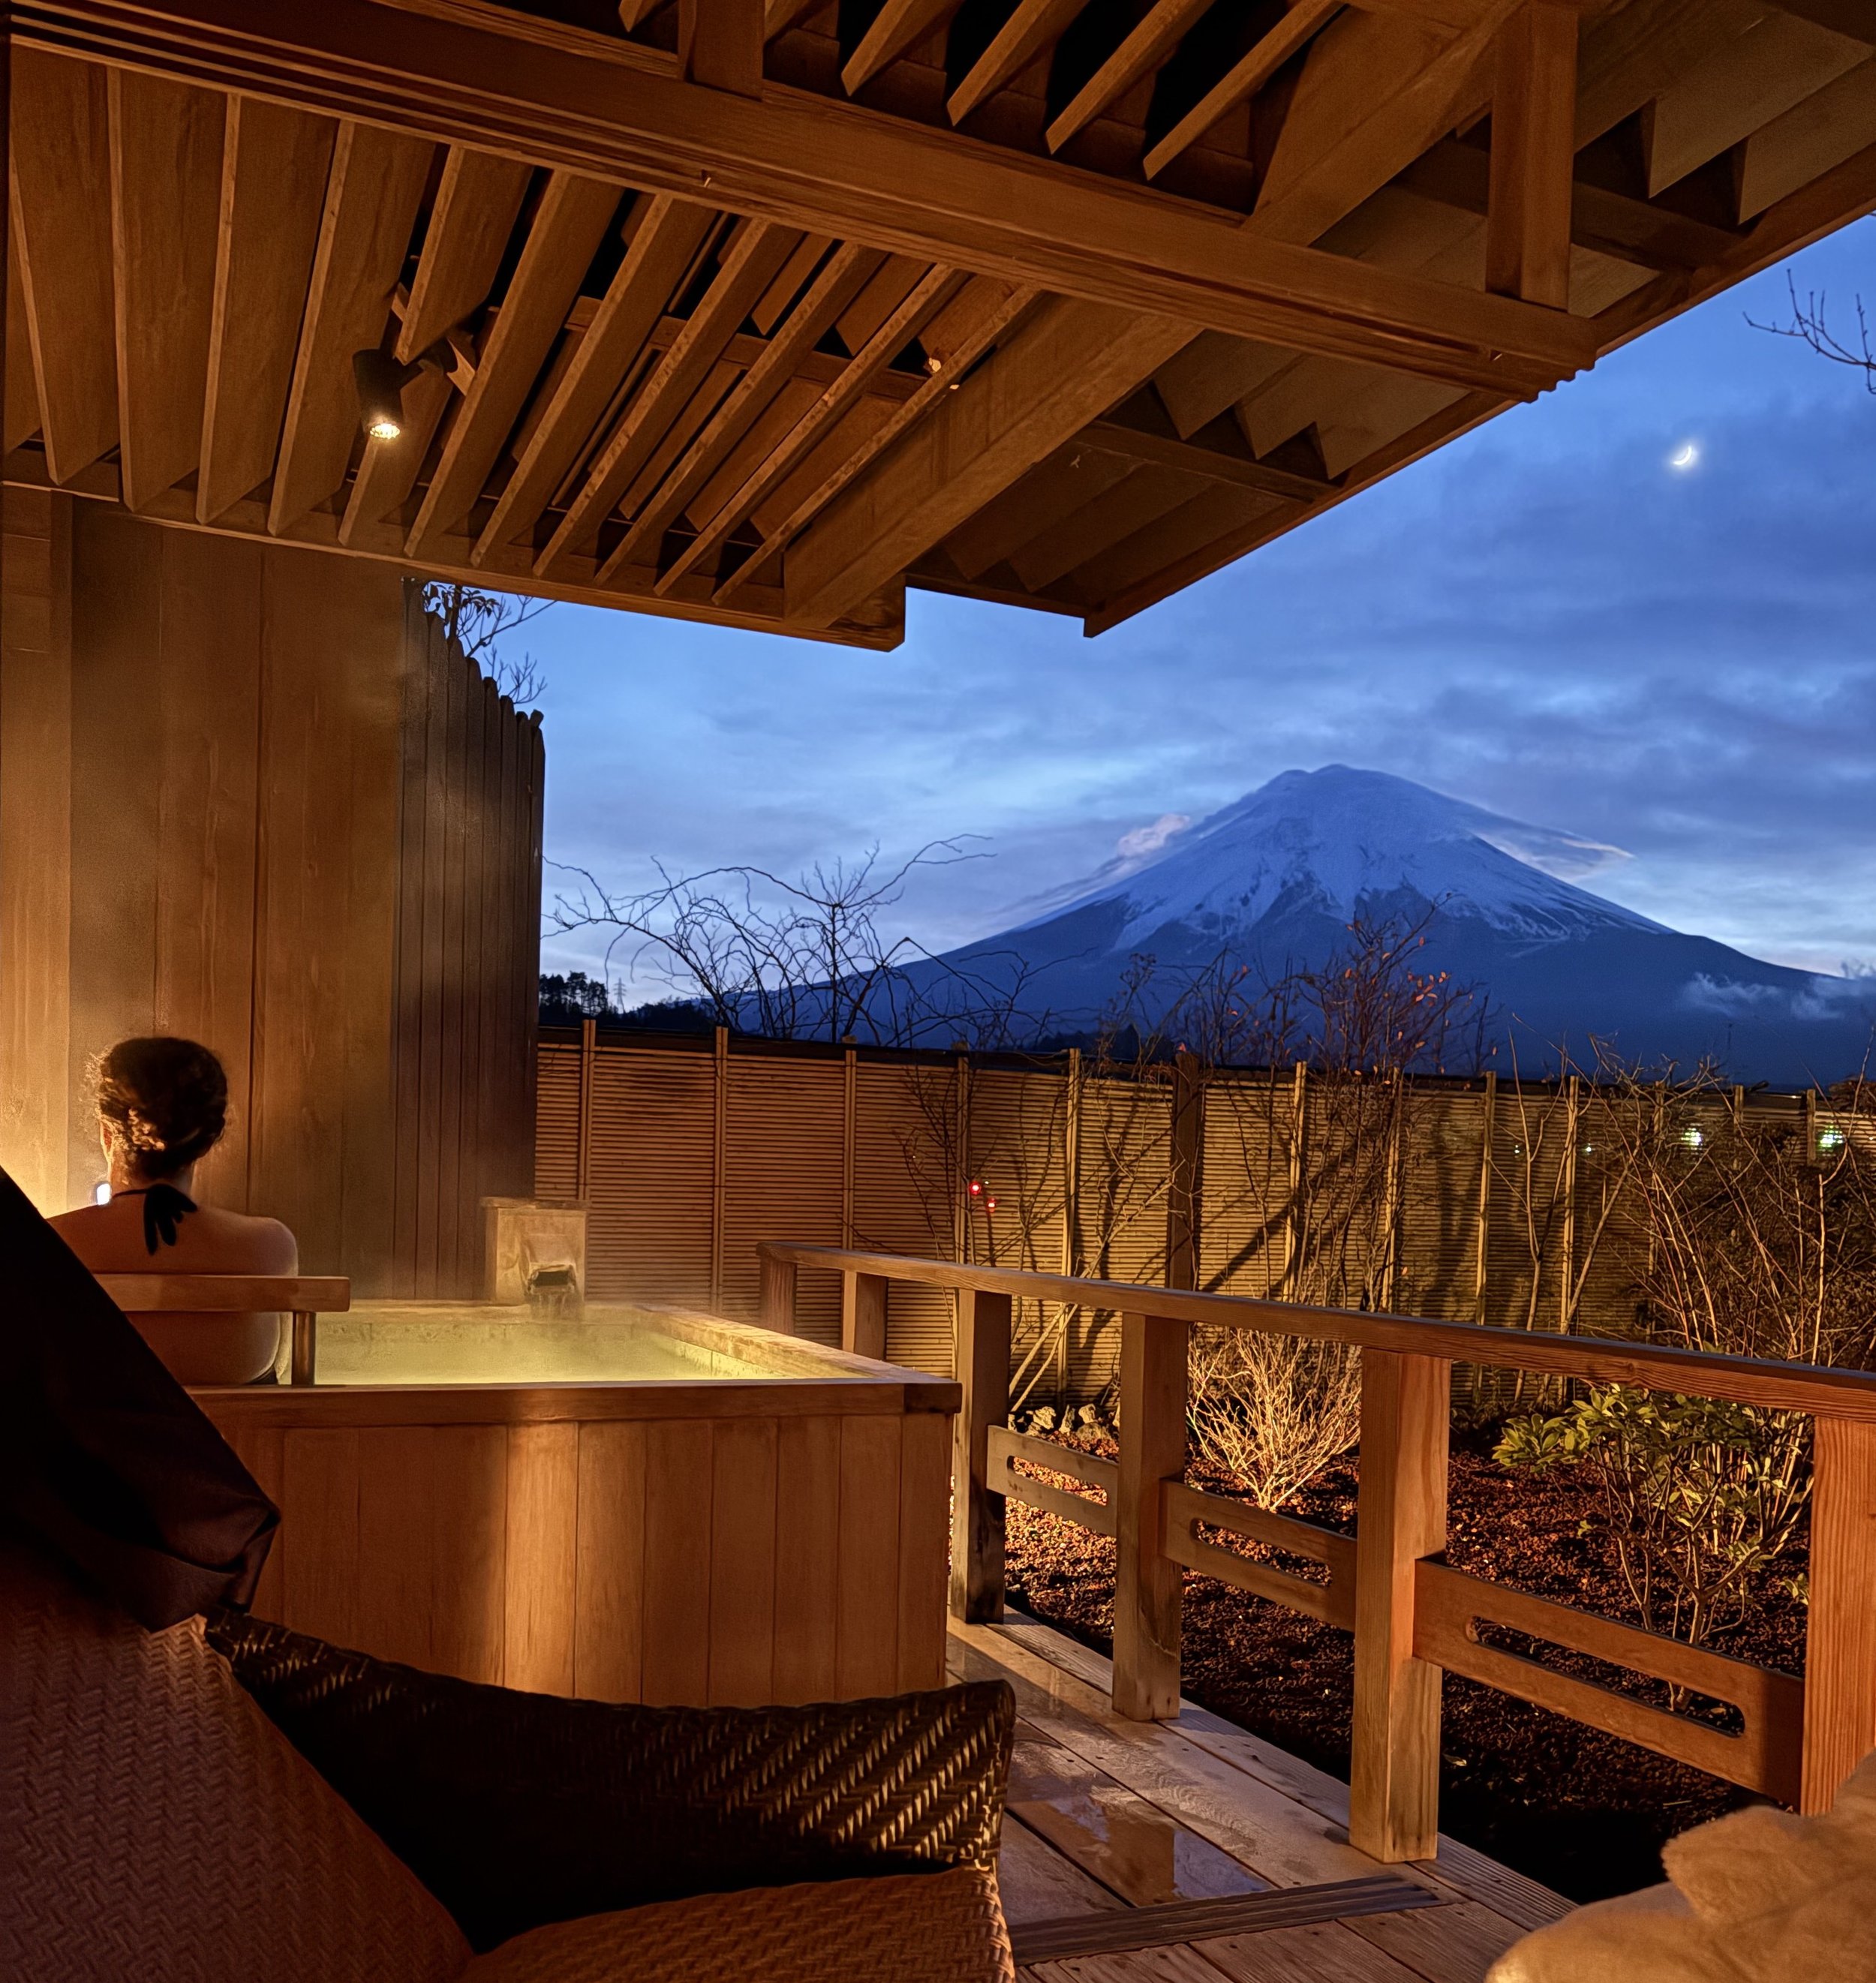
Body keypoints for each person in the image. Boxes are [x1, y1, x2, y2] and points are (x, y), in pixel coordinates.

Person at [50, 1038, 297, 1387]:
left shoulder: (43, 1241)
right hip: (229, 1442)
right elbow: (283, 1372)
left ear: (107, 1133)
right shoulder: (270, 1245)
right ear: (208, 1140)